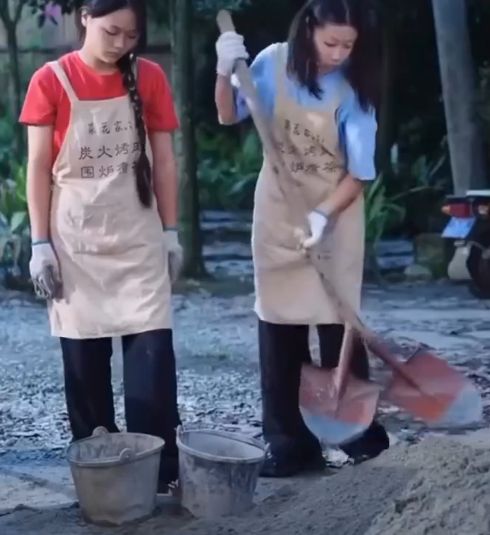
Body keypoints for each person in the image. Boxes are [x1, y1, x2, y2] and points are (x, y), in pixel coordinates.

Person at [215, 0, 390, 477]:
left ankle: (359, 437)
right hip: (277, 210)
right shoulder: (273, 63)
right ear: (309, 30)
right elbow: (228, 114)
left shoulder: (355, 85)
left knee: (338, 322)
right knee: (279, 324)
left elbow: (360, 174)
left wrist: (321, 214)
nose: (339, 53)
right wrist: (223, 70)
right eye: (331, 42)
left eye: (348, 45)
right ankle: (289, 444)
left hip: (335, 212)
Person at [20, 0, 181, 491]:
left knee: (153, 367)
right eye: (112, 32)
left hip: (138, 241)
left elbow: (165, 162)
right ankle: (104, 484)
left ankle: (160, 479)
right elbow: (38, 168)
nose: (120, 45)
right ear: (85, 17)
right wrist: (40, 243)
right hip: (76, 246)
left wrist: (171, 233)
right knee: (86, 377)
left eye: (130, 37)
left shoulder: (150, 77)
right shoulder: (51, 79)